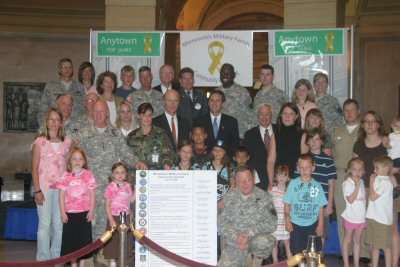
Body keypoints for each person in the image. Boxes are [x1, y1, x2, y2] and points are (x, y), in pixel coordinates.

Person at [75, 100, 142, 266]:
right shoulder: (83, 134)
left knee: (107, 222)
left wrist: (137, 163)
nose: (98, 114)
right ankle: (88, 256)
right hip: (88, 188)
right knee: (89, 221)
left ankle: (105, 255)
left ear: (107, 113)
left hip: (111, 189)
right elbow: (76, 160)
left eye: (101, 111)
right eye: (95, 111)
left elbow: (126, 153)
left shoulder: (115, 134)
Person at [31, 108, 72, 261]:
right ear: (46, 122)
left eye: (57, 120)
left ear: (61, 123)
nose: (54, 123)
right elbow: (34, 168)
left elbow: (69, 166)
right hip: (45, 189)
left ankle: (57, 257)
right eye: (51, 119)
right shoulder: (39, 142)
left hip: (61, 190)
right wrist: (37, 191)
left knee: (60, 223)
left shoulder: (66, 142)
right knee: (44, 224)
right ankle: (43, 258)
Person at [218, 165, 277, 267]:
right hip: (235, 245)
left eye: (247, 180)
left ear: (253, 179)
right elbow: (221, 222)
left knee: (266, 241)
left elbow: (272, 223)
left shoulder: (264, 197)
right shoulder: (229, 198)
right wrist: (237, 238)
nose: (244, 184)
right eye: (240, 181)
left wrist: (249, 233)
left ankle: (255, 259)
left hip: (254, 241)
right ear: (236, 182)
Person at [298, 129, 336, 253]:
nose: (314, 142)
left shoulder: (328, 160)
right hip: (305, 206)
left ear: (322, 142)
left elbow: (331, 184)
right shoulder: (302, 160)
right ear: (307, 142)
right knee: (305, 235)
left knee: (322, 234)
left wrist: (329, 204)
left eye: (317, 139)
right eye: (311, 139)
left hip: (322, 205)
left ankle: (319, 260)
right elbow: (296, 183)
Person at [57, 147, 97, 267]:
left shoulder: (88, 174)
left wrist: (91, 210)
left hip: (84, 212)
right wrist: (63, 212)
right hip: (70, 213)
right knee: (71, 241)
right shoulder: (65, 175)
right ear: (70, 160)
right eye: (74, 159)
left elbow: (92, 193)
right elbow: (61, 195)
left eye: (80, 159)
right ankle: (73, 264)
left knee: (83, 241)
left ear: (84, 161)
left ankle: (82, 264)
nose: (77, 161)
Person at [332, 99, 361, 253]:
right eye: (346, 110)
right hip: (340, 174)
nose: (349, 113)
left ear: (358, 111)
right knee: (342, 213)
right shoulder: (337, 132)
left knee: (360, 213)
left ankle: (362, 254)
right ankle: (346, 252)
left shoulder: (365, 130)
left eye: (352, 110)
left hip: (359, 177)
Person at [283, 154, 328, 255]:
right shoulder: (292, 184)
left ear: (313, 168)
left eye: (307, 168)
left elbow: (321, 208)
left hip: (312, 225)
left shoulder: (318, 186)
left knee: (313, 253)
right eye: (301, 167)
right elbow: (287, 205)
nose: (304, 170)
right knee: (297, 253)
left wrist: (320, 225)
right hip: (296, 225)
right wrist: (287, 220)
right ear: (298, 168)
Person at [104, 161, 135, 267]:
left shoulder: (129, 186)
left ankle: (123, 261)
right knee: (113, 240)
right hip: (114, 216)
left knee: (126, 240)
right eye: (117, 172)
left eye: (122, 172)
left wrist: (138, 189)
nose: (120, 174)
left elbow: (131, 201)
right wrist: (111, 219)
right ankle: (113, 260)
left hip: (125, 217)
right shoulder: (110, 187)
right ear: (113, 173)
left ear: (126, 174)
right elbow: (107, 205)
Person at [126, 103, 174, 170]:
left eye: (149, 115)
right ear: (139, 116)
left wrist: (166, 164)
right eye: (144, 115)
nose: (147, 118)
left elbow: (169, 153)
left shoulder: (161, 133)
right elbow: (126, 156)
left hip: (156, 174)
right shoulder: (131, 136)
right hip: (137, 175)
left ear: (152, 116)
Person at [365, 156, 394, 267]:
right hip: (374, 217)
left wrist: (371, 182)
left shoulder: (385, 182)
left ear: (385, 168)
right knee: (374, 245)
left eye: (376, 168)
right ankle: (374, 264)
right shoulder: (379, 179)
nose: (374, 170)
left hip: (381, 220)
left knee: (385, 246)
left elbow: (372, 197)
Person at [38, 58, 85, 124]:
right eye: (64, 67)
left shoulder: (79, 87)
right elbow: (42, 110)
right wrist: (44, 128)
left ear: (72, 70)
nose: (67, 70)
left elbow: (84, 109)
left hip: (75, 128)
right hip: (55, 126)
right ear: (59, 70)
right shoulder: (50, 86)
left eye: (70, 67)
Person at [194, 90, 239, 159]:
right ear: (208, 103)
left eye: (217, 101)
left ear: (223, 104)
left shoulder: (231, 122)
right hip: (203, 161)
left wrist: (227, 161)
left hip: (225, 162)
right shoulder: (199, 121)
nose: (214, 103)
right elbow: (195, 143)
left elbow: (234, 145)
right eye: (212, 100)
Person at [267, 102, 303, 186]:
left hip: (296, 180)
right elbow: (271, 161)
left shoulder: (303, 135)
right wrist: (270, 182)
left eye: (291, 114)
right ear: (281, 115)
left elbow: (304, 162)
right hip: (279, 180)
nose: (287, 117)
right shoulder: (275, 135)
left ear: (296, 116)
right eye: (285, 113)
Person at [216, 63, 255, 138]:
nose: (225, 76)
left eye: (228, 73)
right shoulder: (216, 92)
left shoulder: (242, 92)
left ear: (233, 75)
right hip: (221, 135)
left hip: (239, 135)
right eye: (223, 73)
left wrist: (249, 135)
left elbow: (251, 115)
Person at [341, 158, 367, 267]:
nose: (357, 172)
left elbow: (363, 201)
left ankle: (356, 264)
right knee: (347, 241)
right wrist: (356, 186)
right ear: (350, 170)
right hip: (351, 217)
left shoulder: (361, 181)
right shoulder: (347, 183)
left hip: (360, 218)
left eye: (360, 170)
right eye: (355, 169)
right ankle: (346, 264)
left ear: (363, 171)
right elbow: (351, 200)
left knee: (357, 242)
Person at [244, 103, 275, 191]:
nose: (264, 117)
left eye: (267, 114)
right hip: (259, 181)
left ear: (272, 115)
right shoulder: (249, 135)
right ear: (257, 116)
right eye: (261, 114)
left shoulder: (280, 131)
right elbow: (248, 160)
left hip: (279, 178)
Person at [202, 140, 235, 211]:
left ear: (225, 152)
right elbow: (202, 184)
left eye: (220, 150)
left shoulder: (230, 167)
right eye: (215, 150)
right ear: (212, 151)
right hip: (208, 202)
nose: (218, 152)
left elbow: (232, 185)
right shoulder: (206, 165)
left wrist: (225, 199)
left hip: (224, 203)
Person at [271, 165, 291, 263]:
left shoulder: (289, 191)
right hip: (275, 222)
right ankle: (275, 262)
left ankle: (291, 262)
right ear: (275, 176)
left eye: (284, 175)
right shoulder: (272, 190)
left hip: (285, 222)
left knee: (287, 243)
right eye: (279, 174)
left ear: (288, 178)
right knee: (274, 243)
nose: (282, 177)